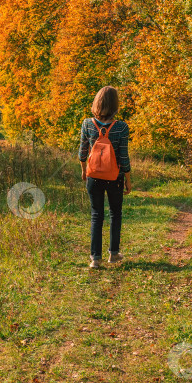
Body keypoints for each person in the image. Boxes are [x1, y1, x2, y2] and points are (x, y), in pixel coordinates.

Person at [78, 86, 132, 269]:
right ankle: (114, 254)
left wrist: (84, 170)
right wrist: (128, 178)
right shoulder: (121, 127)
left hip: (93, 176)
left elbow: (82, 152)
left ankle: (95, 258)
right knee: (115, 214)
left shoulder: (87, 124)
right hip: (114, 177)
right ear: (115, 104)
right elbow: (123, 156)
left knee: (96, 215)